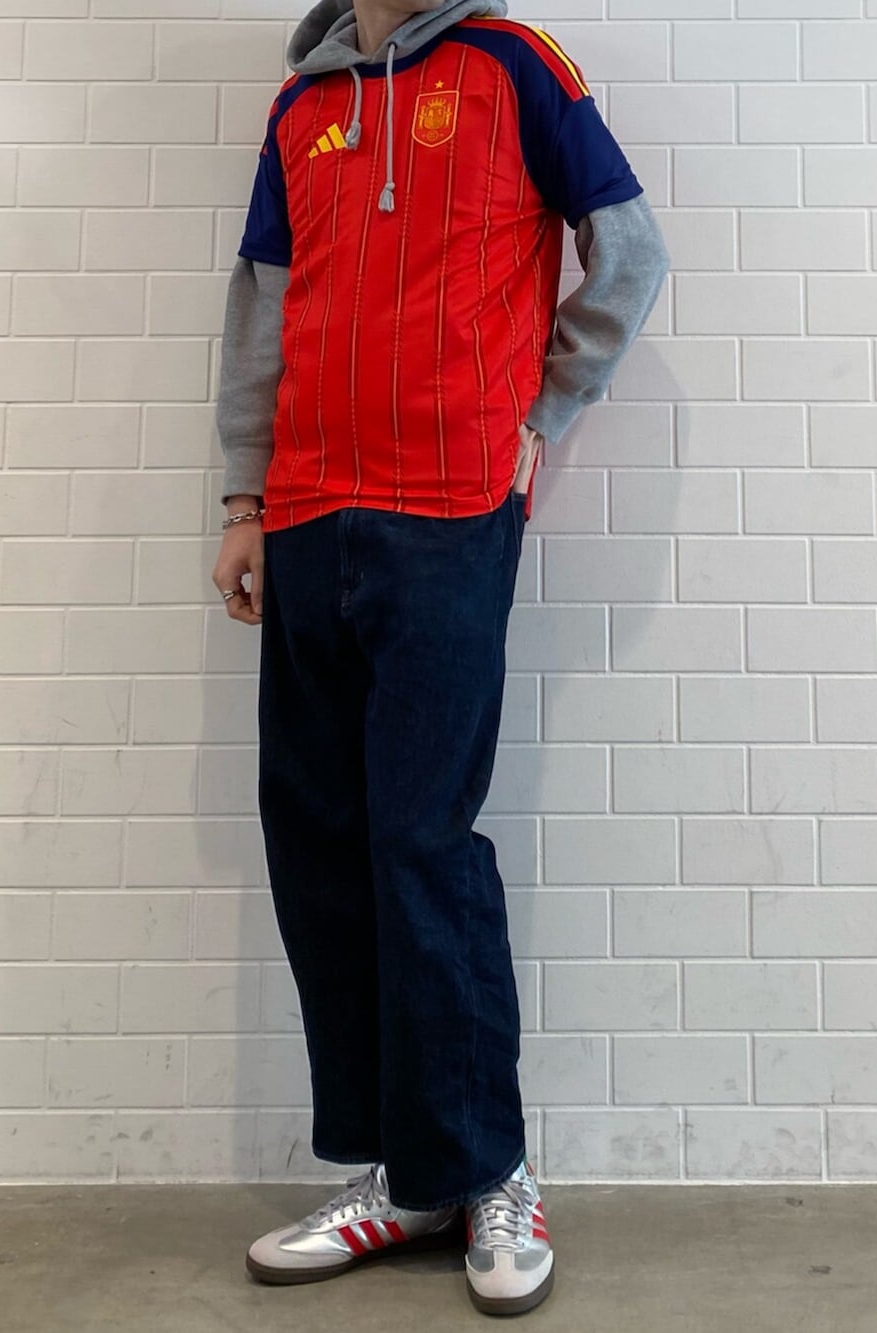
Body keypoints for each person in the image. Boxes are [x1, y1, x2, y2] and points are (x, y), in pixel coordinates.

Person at [212, 0, 668, 1315]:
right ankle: (407, 1176)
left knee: (421, 837)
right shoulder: (301, 108)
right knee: (319, 834)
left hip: (452, 508)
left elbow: (630, 251)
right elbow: (261, 314)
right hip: (308, 510)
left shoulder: (514, 67)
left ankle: (488, 1166)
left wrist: (541, 411)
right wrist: (244, 497)